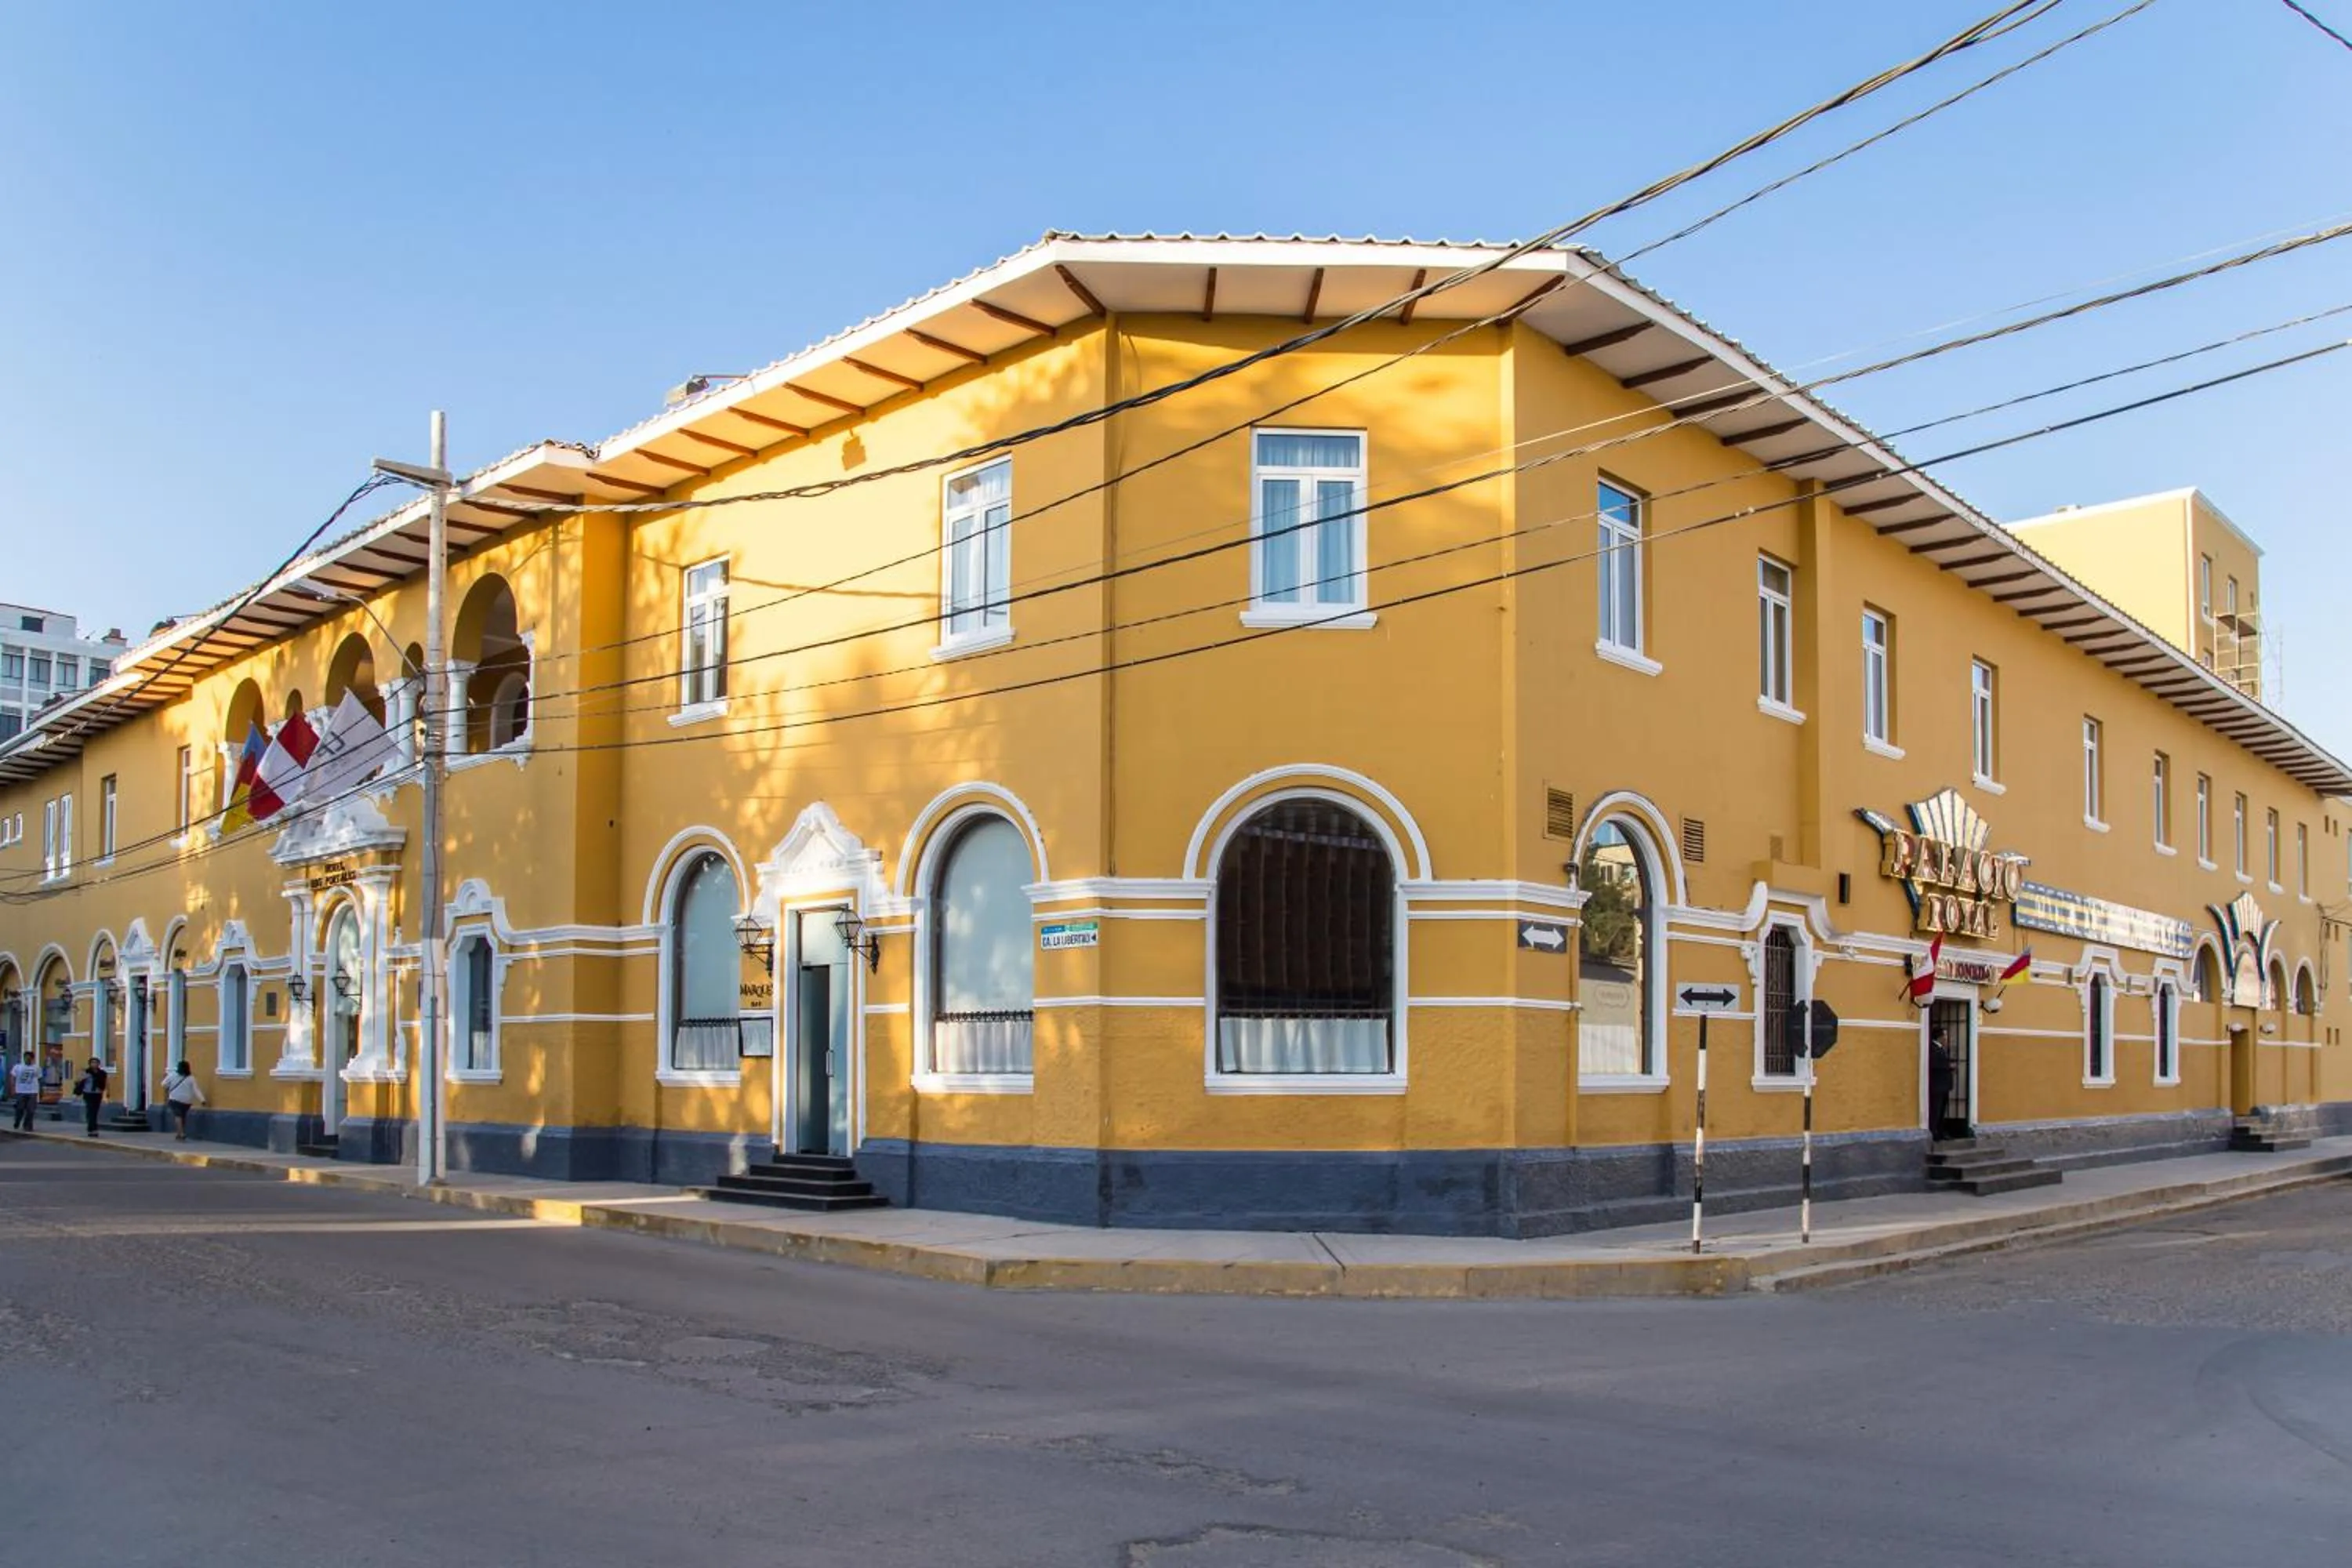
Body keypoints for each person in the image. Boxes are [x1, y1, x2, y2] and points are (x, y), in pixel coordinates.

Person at [161, 1059, 205, 1141]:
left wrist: (169, 1087)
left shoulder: (172, 1075)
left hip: (175, 1099)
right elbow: (196, 1090)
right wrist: (202, 1100)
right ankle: (179, 1133)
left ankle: (181, 1133)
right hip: (187, 1101)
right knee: (182, 1116)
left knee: (178, 1115)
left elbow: (163, 1084)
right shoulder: (191, 1078)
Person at [1927, 1031, 1956, 1144]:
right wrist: (1949, 1066)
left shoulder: (1941, 1048)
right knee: (1936, 1110)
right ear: (1940, 1037)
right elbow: (1934, 1064)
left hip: (1944, 1086)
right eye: (1945, 1035)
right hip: (1937, 1086)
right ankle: (1934, 1132)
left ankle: (1940, 1132)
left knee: (1942, 1110)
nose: (1947, 1038)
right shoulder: (1933, 1048)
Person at [75, 1056, 107, 1137]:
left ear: (99, 1064)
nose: (94, 1064)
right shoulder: (86, 1072)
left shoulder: (102, 1073)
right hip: (88, 1093)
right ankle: (92, 1129)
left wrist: (106, 1093)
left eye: (96, 1063)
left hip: (97, 1093)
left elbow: (105, 1083)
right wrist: (82, 1078)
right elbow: (78, 1081)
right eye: (92, 1063)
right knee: (90, 1111)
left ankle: (92, 1129)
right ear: (90, 1064)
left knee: (95, 1112)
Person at [9, 1051, 38, 1131]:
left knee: (31, 1110)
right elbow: (12, 1077)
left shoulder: (36, 1068)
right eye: (26, 1058)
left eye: (29, 1058)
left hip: (32, 1091)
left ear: (32, 1059)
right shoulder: (18, 1067)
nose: (27, 1060)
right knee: (20, 1108)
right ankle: (17, 1121)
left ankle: (27, 1125)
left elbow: (40, 1079)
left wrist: (41, 1091)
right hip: (21, 1091)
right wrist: (13, 1088)